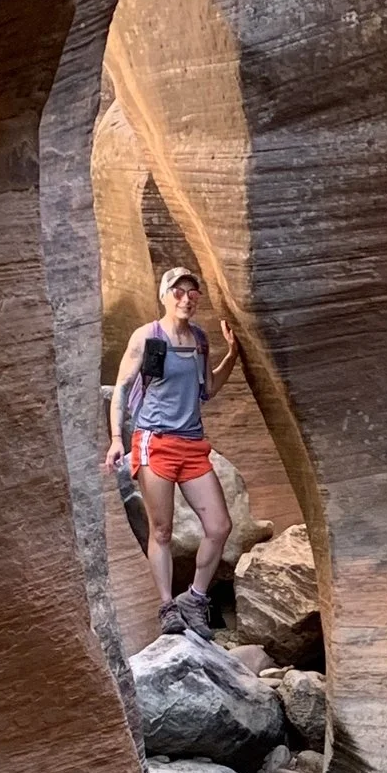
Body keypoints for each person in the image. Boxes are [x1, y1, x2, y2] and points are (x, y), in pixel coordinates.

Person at [107, 265, 240, 636]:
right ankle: (167, 606)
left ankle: (195, 598)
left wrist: (232, 355)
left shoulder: (198, 340)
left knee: (219, 525)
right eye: (178, 292)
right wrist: (117, 439)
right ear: (164, 296)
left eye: (192, 293)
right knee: (162, 530)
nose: (186, 299)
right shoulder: (149, 339)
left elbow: (207, 389)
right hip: (155, 443)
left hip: (192, 444)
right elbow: (121, 388)